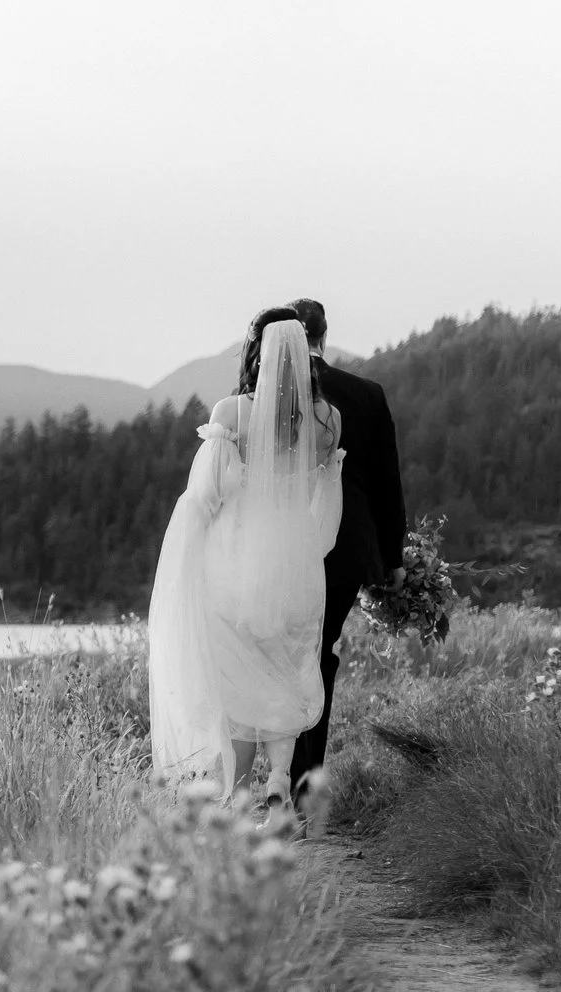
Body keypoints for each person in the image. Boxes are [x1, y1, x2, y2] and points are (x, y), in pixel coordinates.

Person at [147, 310, 346, 803]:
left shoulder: (231, 414)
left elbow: (206, 495)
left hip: (235, 566)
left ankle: (235, 797)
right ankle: (279, 780)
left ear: (256, 353)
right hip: (296, 567)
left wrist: (186, 551)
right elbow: (326, 509)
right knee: (284, 672)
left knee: (238, 680)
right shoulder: (327, 421)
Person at [285, 298, 407, 801]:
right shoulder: (366, 394)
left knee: (287, 654)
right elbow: (386, 483)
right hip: (344, 547)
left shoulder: (268, 394)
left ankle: (282, 779)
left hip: (283, 547)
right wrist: (393, 559)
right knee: (320, 655)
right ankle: (306, 781)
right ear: (324, 336)